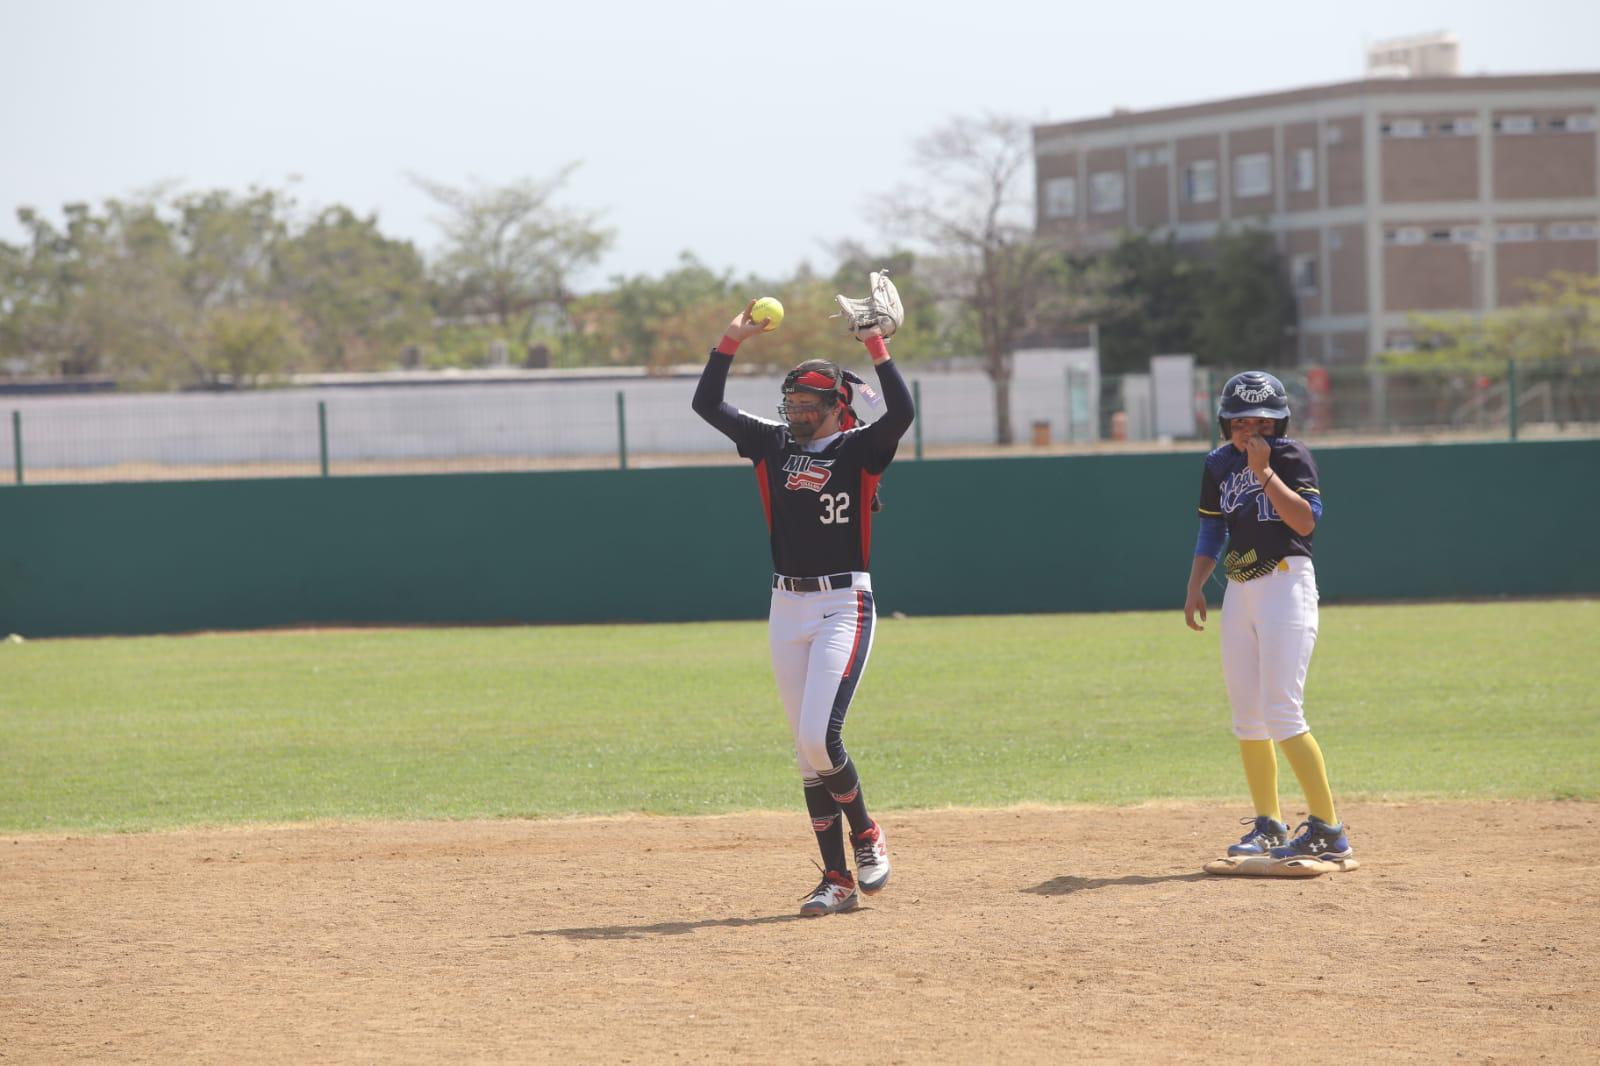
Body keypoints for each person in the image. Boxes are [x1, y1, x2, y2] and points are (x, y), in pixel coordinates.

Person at [691, 295, 914, 916]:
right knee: (805, 753)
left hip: (845, 602)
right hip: (786, 607)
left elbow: (901, 412)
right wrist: (730, 339)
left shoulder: (860, 447)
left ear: (837, 406)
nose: (795, 412)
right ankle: (836, 879)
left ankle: (866, 833)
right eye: (791, 403)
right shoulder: (771, 443)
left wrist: (875, 344)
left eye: (808, 404)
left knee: (820, 737)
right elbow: (707, 404)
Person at [1184, 371, 1353, 866]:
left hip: (1286, 582)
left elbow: (1304, 521)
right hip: (1240, 589)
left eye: (1261, 421)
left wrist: (1264, 472)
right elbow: (1212, 531)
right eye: (1240, 421)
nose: (1250, 429)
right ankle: (1269, 825)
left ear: (1279, 423)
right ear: (1225, 424)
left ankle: (1328, 830)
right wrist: (1196, 584)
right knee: (1248, 716)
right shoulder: (1218, 463)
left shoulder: (1290, 456)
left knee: (1282, 711)